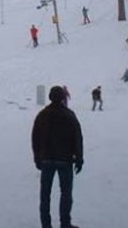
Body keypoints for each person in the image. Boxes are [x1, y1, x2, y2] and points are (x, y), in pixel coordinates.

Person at [32, 86, 83, 228]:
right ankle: (65, 224)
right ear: (62, 98)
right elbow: (77, 138)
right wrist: (79, 159)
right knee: (65, 194)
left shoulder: (42, 115)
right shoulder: (69, 115)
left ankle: (46, 225)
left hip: (46, 160)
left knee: (45, 195)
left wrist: (37, 157)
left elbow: (35, 138)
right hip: (65, 160)